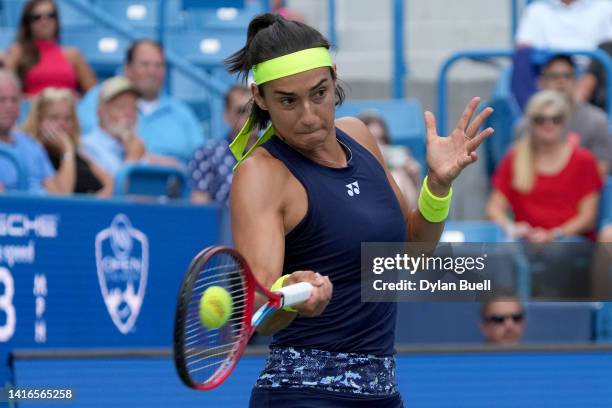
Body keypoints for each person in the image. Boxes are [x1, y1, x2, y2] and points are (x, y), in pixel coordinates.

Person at [226, 14, 493, 407]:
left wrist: (437, 185)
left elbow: (413, 256)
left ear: (333, 77)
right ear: (260, 97)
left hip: (382, 394)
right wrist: (295, 295)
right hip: (302, 396)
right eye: (287, 101)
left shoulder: (360, 136)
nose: (309, 115)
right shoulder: (260, 174)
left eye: (319, 93)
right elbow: (265, 309)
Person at [488, 90, 602, 242]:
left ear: (565, 122)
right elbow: (493, 208)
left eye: (556, 119)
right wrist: (511, 227)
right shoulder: (514, 157)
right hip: (527, 242)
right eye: (540, 119)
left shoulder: (584, 159)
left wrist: (553, 235)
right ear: (531, 123)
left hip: (569, 241)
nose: (549, 125)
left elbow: (588, 217)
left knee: (558, 251)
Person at [78, 39, 203, 165]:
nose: (152, 71)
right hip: (113, 174)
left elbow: (201, 161)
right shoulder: (100, 96)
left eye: (159, 65)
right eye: (145, 64)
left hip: (173, 180)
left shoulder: (182, 112)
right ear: (128, 68)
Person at [514, 54, 611, 176]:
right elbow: (519, 168)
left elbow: (600, 172)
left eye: (567, 76)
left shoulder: (597, 120)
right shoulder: (526, 123)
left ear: (576, 81)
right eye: (554, 76)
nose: (561, 81)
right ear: (541, 82)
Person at [22, 87, 113, 196]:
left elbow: (110, 183)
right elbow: (63, 195)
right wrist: (67, 150)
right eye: (54, 118)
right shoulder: (35, 154)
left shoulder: (80, 154)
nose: (62, 124)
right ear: (39, 121)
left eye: (68, 118)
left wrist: (94, 204)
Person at [0, 69, 74, 193]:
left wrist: (67, 149)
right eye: (1, 100)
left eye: (14, 99)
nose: (9, 106)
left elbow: (59, 196)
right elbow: (4, 204)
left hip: (44, 210)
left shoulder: (30, 144)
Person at [4, 0, 96, 97]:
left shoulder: (73, 55)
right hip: (31, 110)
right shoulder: (18, 52)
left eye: (50, 16)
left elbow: (94, 95)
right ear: (28, 23)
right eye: (37, 17)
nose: (44, 21)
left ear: (57, 20)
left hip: (67, 110)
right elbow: (6, 91)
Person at [189, 85, 251, 205]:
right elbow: (199, 208)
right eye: (242, 111)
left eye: (256, 110)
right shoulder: (208, 153)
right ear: (226, 116)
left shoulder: (275, 153)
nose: (251, 117)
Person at [80, 76, 145, 177]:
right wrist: (133, 158)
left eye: (133, 107)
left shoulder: (137, 145)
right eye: (121, 106)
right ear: (100, 112)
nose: (129, 113)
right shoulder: (86, 146)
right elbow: (111, 189)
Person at [357, 111, 421, 209]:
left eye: (381, 139)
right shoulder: (352, 161)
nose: (379, 145)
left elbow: (417, 198)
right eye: (372, 139)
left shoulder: (398, 157)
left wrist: (413, 175)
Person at [515, 0, 612, 53]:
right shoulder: (536, 9)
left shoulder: (606, 6)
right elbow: (523, 47)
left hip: (596, 77)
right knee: (522, 55)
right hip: (547, 74)